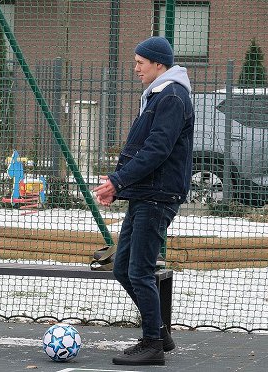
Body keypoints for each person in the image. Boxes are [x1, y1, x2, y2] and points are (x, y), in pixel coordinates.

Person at [93, 36, 193, 366]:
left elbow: (157, 151)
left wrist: (118, 181)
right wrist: (118, 186)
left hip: (158, 196)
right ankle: (159, 332)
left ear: (159, 65)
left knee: (139, 271)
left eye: (141, 62)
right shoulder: (157, 96)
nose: (135, 68)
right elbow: (142, 150)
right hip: (144, 195)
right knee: (123, 269)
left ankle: (152, 343)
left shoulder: (172, 97)